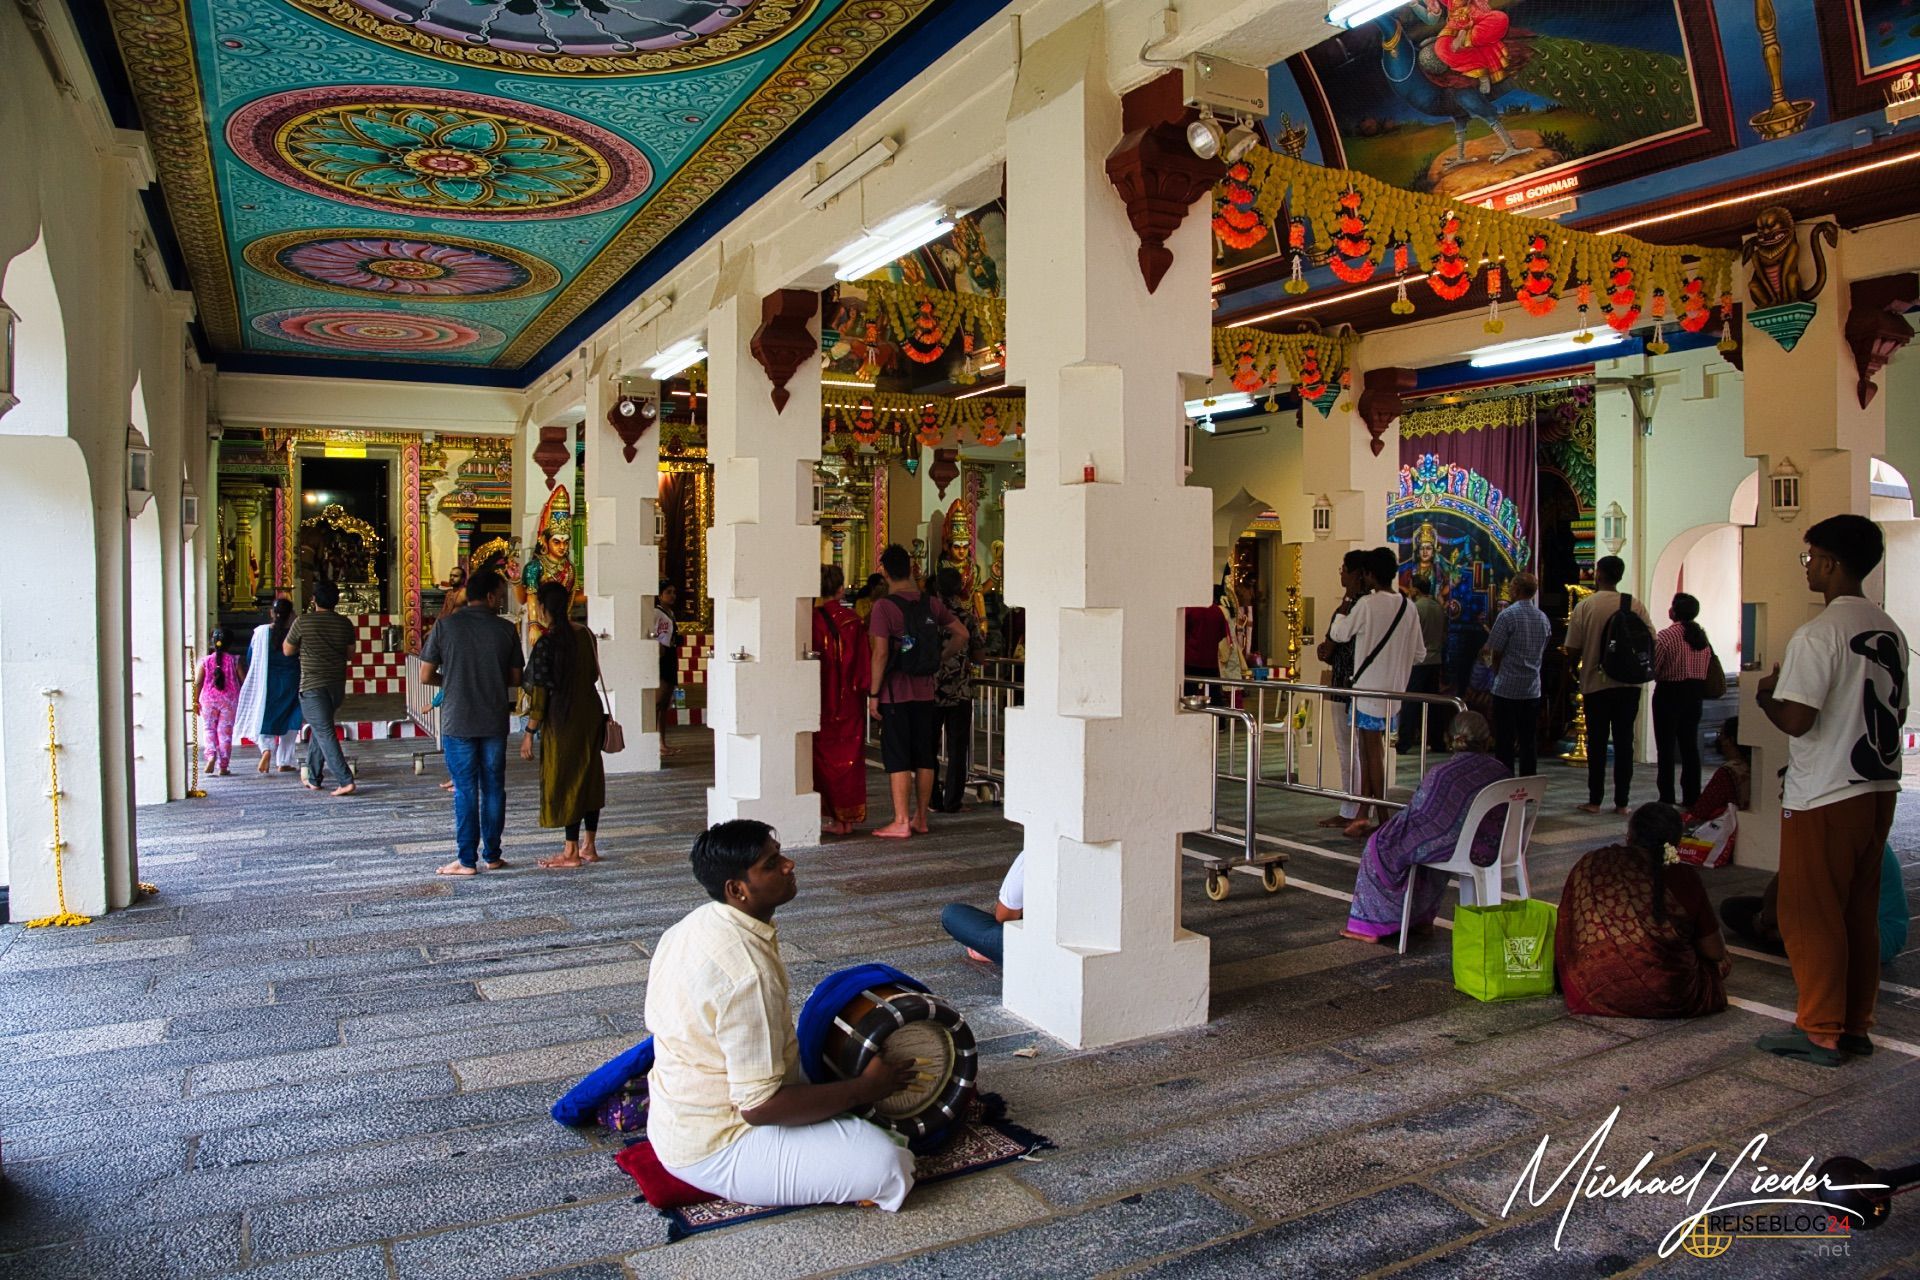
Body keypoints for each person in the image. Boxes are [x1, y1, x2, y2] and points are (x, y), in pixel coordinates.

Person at [644, 820, 917, 1211]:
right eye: (771, 864)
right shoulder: (746, 975)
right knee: (889, 1164)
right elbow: (759, 1108)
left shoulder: (696, 923)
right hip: (719, 1143)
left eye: (779, 854)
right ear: (737, 890)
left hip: (677, 1115)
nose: (789, 865)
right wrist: (866, 1089)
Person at [1754, 514, 1907, 1066]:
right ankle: (1855, 1024)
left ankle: (1820, 1029)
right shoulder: (1888, 628)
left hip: (1825, 792)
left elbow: (1798, 720)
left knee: (1810, 913)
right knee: (1857, 912)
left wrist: (1767, 696)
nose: (1807, 567)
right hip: (1877, 786)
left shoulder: (1819, 633)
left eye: (1811, 557)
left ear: (1831, 563)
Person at [1341, 712, 1511, 944]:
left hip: (1460, 849)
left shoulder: (1443, 774)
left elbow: (1419, 816)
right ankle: (1419, 918)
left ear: (1451, 738)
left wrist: (1387, 831)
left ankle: (1369, 927)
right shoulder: (1501, 771)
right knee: (1426, 845)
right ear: (1487, 739)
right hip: (1493, 846)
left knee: (1379, 846)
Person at [1557, 803, 1730, 1020]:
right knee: (1720, 962)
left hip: (1589, 988)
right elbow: (1715, 951)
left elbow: (1568, 929)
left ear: (1630, 835)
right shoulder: (1683, 875)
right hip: (1667, 996)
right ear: (1676, 842)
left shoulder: (1593, 862)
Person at [419, 567, 524, 876]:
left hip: (458, 720)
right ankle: (492, 855)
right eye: (501, 597)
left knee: (465, 790)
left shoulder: (445, 626)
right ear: (490, 597)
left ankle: (466, 861)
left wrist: (452, 680)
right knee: (494, 788)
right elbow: (515, 679)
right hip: (493, 719)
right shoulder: (506, 630)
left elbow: (425, 675)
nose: (501, 602)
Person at [866, 544, 969, 839]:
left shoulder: (884, 607)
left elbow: (880, 654)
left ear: (884, 572)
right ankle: (921, 817)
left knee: (897, 755)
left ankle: (900, 820)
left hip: (895, 693)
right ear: (911, 569)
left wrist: (874, 694)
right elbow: (962, 633)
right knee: (925, 755)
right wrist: (941, 657)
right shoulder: (930, 603)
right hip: (926, 692)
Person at [1326, 547, 1424, 839]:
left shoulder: (1367, 605)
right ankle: (1363, 813)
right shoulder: (1408, 607)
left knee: (1370, 755)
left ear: (1369, 574)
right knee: (1372, 753)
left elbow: (1339, 634)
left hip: (1367, 692)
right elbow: (1419, 653)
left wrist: (1342, 611)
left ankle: (1381, 818)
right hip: (1394, 694)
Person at [522, 580, 606, 870]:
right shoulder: (586, 635)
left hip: (562, 717)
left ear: (543, 608)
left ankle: (571, 851)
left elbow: (540, 692)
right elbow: (593, 674)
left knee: (566, 778)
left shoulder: (548, 642)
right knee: (589, 776)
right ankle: (589, 845)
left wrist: (530, 731)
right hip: (590, 711)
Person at [1564, 556, 1653, 815]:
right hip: (1628, 684)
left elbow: (1572, 647)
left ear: (1599, 574)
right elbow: (1651, 639)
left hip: (1596, 684)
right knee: (1625, 742)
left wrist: (1574, 666)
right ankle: (1622, 802)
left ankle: (1595, 801)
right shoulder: (1633, 604)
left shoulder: (1586, 606)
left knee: (1597, 743)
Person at [283, 580, 358, 796]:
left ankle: (345, 780)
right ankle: (314, 777)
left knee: (324, 731)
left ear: (314, 599)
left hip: (312, 686)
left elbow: (287, 650)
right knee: (320, 729)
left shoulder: (303, 622)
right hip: (336, 686)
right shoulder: (345, 623)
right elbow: (350, 654)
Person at [1315, 550, 1371, 833]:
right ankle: (1355, 806)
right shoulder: (1364, 605)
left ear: (1357, 574)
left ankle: (1351, 808)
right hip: (1356, 683)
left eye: (1344, 569)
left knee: (1347, 748)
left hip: (1345, 684)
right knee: (1357, 749)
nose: (1341, 573)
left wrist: (1328, 648)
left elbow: (1334, 641)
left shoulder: (1353, 607)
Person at [812, 564, 869, 836]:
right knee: (851, 758)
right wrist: (865, 691)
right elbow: (863, 663)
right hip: (850, 699)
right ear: (840, 589)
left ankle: (834, 817)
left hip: (820, 699)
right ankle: (847, 817)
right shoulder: (853, 620)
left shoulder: (808, 621)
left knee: (823, 758)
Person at [1652, 592, 1714, 807]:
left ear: (1675, 611)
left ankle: (1666, 796)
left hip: (1669, 694)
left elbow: (1655, 667)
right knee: (1690, 747)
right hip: (1695, 695)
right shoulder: (1701, 637)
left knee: (1666, 748)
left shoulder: (1666, 636)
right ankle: (1692, 795)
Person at [1486, 571, 1551, 775]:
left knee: (1504, 741)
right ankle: (1527, 782)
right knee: (1528, 741)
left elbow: (1494, 650)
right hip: (1531, 689)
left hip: (1506, 687)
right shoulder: (1542, 618)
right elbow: (1543, 648)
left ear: (1516, 589)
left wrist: (1496, 671)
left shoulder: (1507, 616)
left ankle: (1505, 781)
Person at [932, 566, 982, 813]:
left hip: (930, 689)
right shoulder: (966, 616)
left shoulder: (927, 615)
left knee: (927, 748)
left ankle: (932, 799)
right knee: (957, 749)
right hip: (960, 690)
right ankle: (953, 801)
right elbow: (979, 655)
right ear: (960, 588)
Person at [234, 600, 304, 775]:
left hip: (268, 682)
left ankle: (266, 748)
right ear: (291, 614)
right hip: (291, 680)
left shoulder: (261, 632)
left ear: (272, 613)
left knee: (266, 717)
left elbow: (251, 657)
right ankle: (285, 761)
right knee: (291, 718)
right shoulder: (295, 633)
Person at [940, 851, 1025, 965]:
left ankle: (1000, 955)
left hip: (1031, 947)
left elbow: (1005, 918)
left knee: (952, 914)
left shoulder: (1031, 856)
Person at [1396, 574, 1447, 754]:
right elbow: (1444, 634)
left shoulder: (1415, 609)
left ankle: (1404, 742)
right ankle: (1437, 742)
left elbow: (1407, 635)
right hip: (1435, 661)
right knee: (1433, 703)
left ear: (1416, 590)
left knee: (1411, 702)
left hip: (1418, 663)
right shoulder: (1438, 608)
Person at [193, 627, 243, 777]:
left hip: (208, 700)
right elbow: (244, 680)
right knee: (225, 733)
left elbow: (198, 683)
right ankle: (223, 766)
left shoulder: (205, 661)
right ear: (230, 643)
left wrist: (195, 701)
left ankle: (211, 755)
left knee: (209, 729)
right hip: (229, 701)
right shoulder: (235, 660)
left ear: (213, 642)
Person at [1183, 592, 1231, 705]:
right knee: (1214, 696)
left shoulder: (1190, 610)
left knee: (1189, 697)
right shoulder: (1217, 611)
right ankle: (1216, 716)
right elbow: (1221, 635)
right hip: (1211, 661)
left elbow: (1182, 632)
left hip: (1191, 660)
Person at [654, 581, 679, 759]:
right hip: (661, 656)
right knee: (658, 702)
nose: (672, 596)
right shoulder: (656, 613)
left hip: (670, 654)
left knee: (665, 705)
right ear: (660, 595)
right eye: (668, 592)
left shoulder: (670, 613)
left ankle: (663, 742)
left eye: (673, 592)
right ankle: (657, 742)